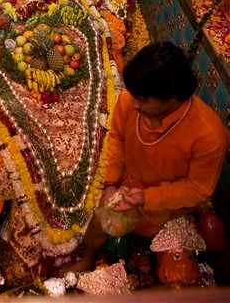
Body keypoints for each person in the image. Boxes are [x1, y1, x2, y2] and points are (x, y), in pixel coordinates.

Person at [61, 41, 228, 273]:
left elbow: (197, 189)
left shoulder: (209, 136)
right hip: (127, 185)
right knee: (101, 221)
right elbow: (117, 138)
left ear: (171, 97)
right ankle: (87, 259)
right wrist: (111, 183)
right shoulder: (130, 100)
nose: (133, 102)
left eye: (143, 99)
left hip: (166, 204)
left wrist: (146, 198)